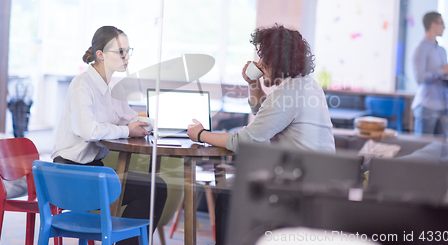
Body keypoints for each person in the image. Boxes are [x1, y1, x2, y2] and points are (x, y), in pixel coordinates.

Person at [187, 24, 335, 244]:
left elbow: (246, 141)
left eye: (264, 58)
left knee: (228, 197)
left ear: (276, 61)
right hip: (317, 181)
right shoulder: (307, 85)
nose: (260, 63)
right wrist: (254, 83)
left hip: (300, 187)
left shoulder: (289, 92)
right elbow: (266, 116)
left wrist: (201, 134)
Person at [51, 26, 167, 245]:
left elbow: (130, 119)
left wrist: (158, 124)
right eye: (120, 52)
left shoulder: (114, 86)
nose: (126, 57)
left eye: (128, 51)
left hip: (95, 170)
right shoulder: (81, 85)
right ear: (101, 55)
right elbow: (89, 130)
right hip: (71, 172)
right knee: (153, 188)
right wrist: (127, 130)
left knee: (155, 186)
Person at [411, 12, 448, 137]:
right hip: (427, 106)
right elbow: (420, 78)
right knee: (423, 149)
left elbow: (445, 76)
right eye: (442, 23)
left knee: (442, 151)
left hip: (444, 106)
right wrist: (442, 71)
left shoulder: (442, 50)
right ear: (433, 25)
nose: (444, 27)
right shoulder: (420, 49)